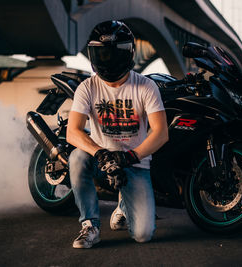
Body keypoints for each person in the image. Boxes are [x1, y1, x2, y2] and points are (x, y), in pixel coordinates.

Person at [66, 20, 168, 249]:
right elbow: (72, 132)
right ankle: (90, 225)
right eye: (101, 54)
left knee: (143, 235)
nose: (108, 59)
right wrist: (100, 153)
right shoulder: (87, 87)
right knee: (77, 158)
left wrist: (129, 157)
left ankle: (123, 204)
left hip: (133, 161)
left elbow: (161, 133)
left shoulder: (146, 86)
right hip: (101, 158)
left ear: (128, 53)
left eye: (114, 53)